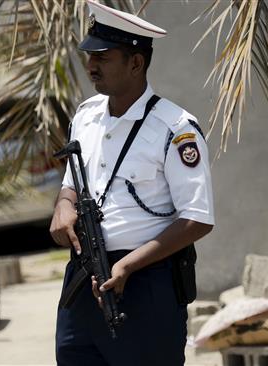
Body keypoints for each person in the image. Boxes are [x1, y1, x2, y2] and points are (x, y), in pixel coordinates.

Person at [49, 1, 215, 365]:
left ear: (135, 63)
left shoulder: (175, 129)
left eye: (103, 58)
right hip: (84, 277)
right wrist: (63, 206)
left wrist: (127, 266)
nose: (91, 66)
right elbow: (72, 182)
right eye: (90, 56)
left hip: (146, 283)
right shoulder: (86, 116)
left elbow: (198, 218)